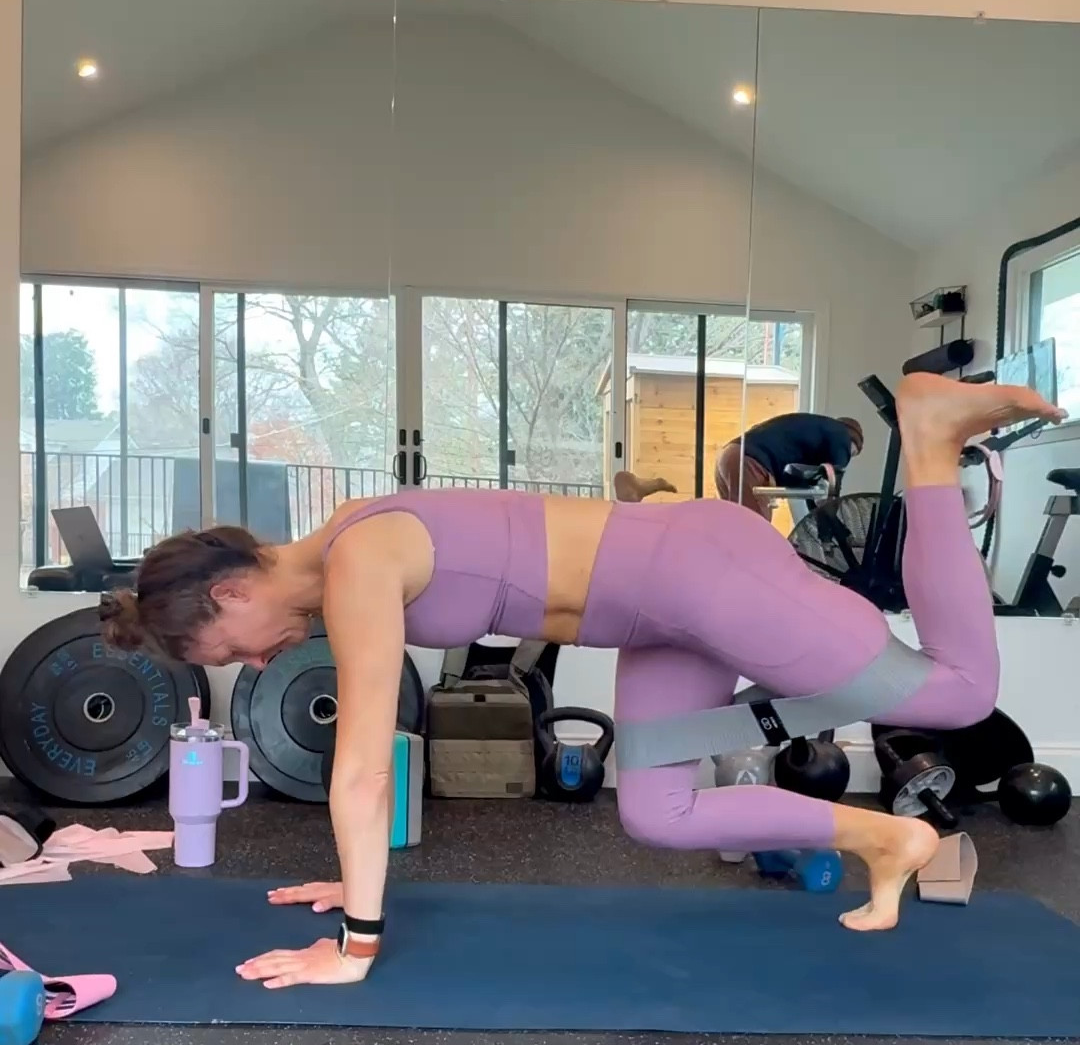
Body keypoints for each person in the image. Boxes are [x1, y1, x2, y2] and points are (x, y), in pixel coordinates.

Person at [101, 375, 1059, 988]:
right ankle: (889, 838)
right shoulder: (352, 543)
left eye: (230, 650)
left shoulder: (357, 562)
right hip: (660, 618)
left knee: (960, 694)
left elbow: (360, 769)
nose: (256, 666)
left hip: (705, 577)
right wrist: (353, 878)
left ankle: (930, 442)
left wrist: (356, 942)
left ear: (231, 591)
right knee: (658, 809)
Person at [715, 411, 864, 513]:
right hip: (750, 462)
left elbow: (812, 490)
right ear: (852, 441)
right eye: (852, 453)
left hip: (729, 456)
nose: (848, 458)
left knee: (736, 528)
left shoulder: (817, 430)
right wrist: (832, 521)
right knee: (755, 533)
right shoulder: (841, 435)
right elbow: (834, 480)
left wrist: (816, 514)